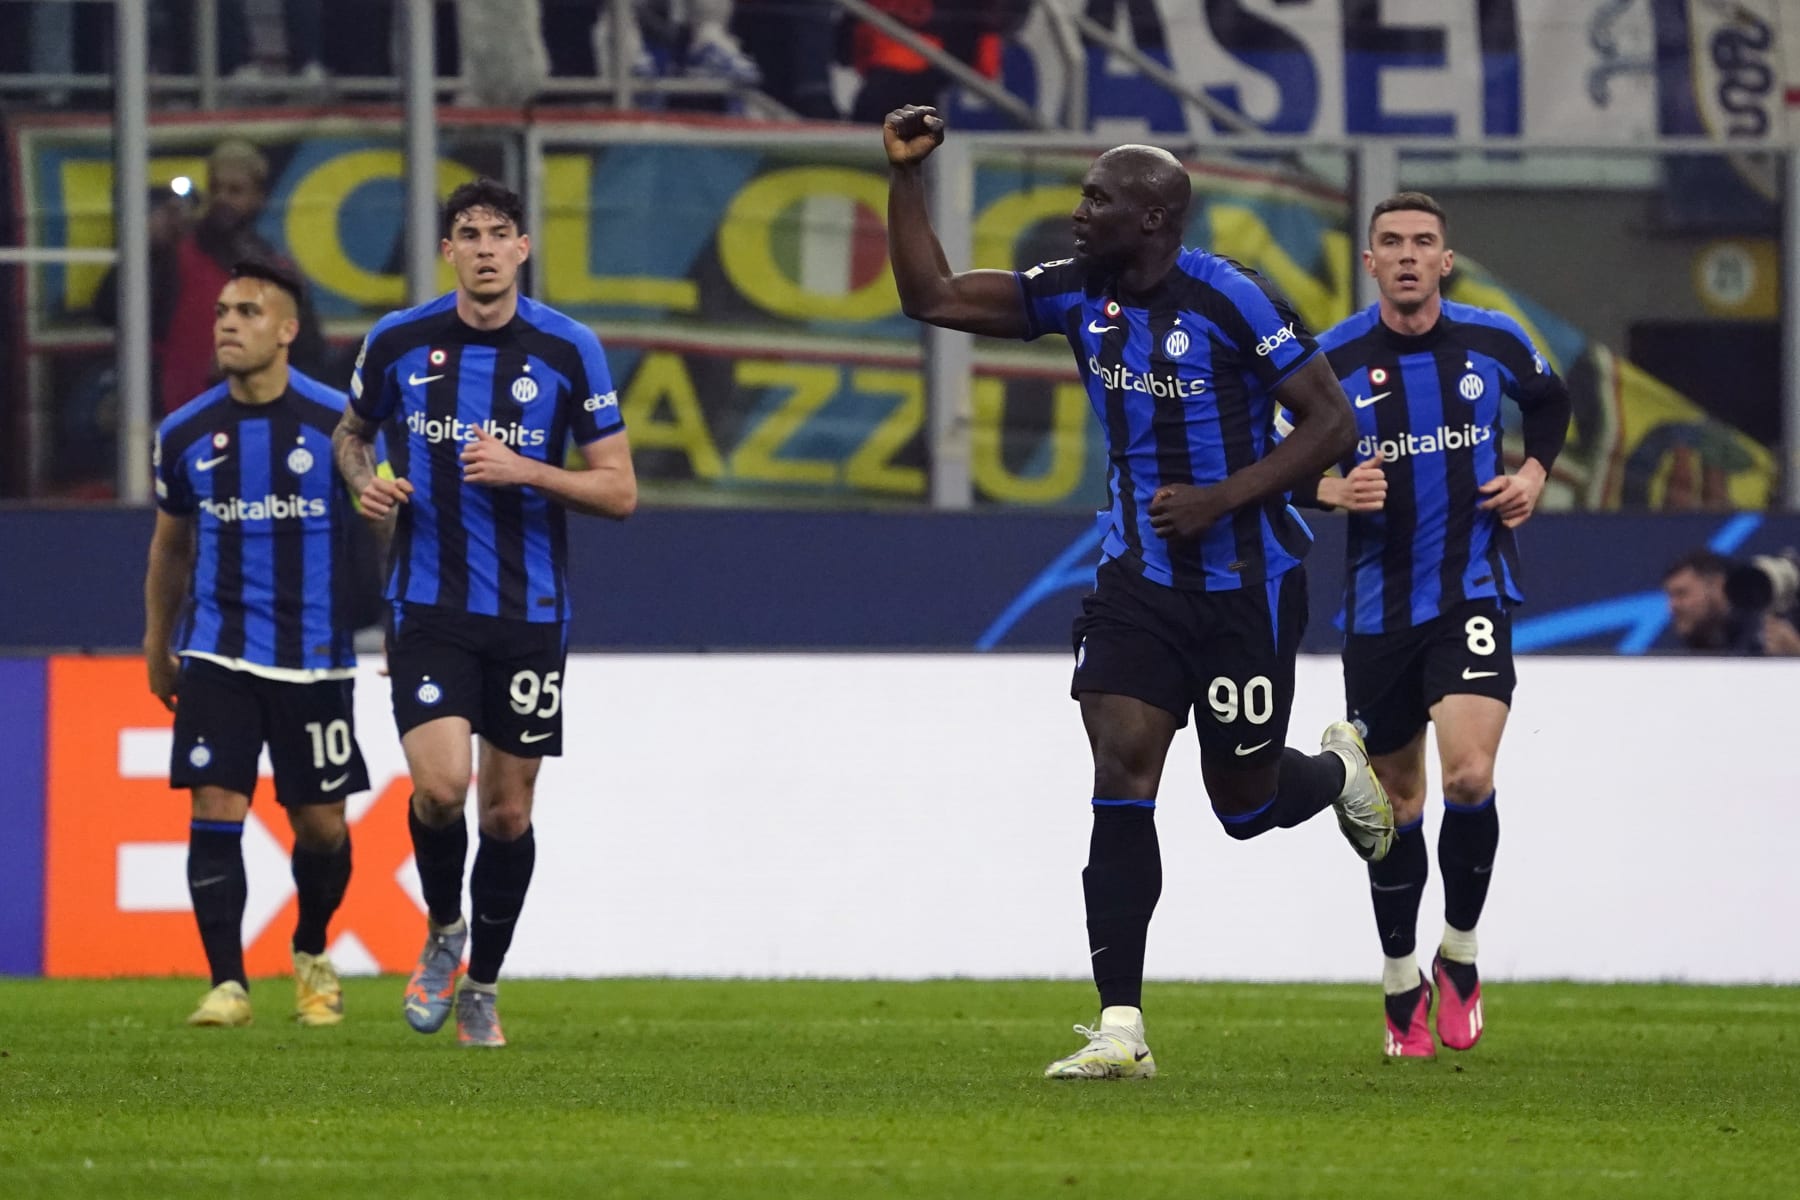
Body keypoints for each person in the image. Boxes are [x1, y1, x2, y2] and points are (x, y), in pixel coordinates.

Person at [882, 105, 1394, 1080]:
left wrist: (1222, 498)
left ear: (1154, 219)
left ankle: (1337, 776)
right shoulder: (1079, 293)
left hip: (1248, 584)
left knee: (1242, 806)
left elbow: (1331, 426)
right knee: (1122, 769)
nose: (1079, 215)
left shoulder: (1235, 299)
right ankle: (1122, 1026)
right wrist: (905, 176)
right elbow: (935, 296)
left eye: (1098, 200)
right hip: (1138, 582)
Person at [332, 177, 637, 1049]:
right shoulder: (398, 340)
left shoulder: (569, 349)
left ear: (523, 249)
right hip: (426, 602)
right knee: (441, 788)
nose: (484, 248)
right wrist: (367, 484)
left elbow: (619, 491)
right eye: (467, 233)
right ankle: (442, 931)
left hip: (531, 611)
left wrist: (528, 470)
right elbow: (351, 436)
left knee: (506, 813)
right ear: (448, 252)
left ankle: (485, 987)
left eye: (499, 233)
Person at [1307, 191, 1573, 1059]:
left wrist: (1534, 470)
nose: (1410, 254)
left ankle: (1457, 952)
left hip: (1473, 591)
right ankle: (1398, 974)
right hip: (1379, 611)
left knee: (1467, 775)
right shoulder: (1331, 358)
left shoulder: (1493, 338)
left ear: (1445, 260)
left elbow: (1552, 400)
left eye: (1425, 241)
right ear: (1371, 262)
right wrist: (1331, 489)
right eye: (1393, 242)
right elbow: (1269, 458)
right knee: (1397, 805)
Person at [143, 260, 373, 1029]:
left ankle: (310, 948)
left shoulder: (340, 423)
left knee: (322, 828)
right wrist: (157, 643)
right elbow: (171, 548)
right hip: (217, 653)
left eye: (246, 311)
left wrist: (397, 622)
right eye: (219, 313)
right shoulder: (184, 433)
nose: (226, 325)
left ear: (287, 330)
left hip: (314, 659)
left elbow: (389, 518)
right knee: (215, 804)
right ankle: (227, 984)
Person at [96, 139, 327, 415]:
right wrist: (146, 249)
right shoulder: (175, 255)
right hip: (180, 418)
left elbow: (308, 356)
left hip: (251, 420)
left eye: (235, 191)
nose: (222, 198)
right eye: (216, 188)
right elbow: (109, 310)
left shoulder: (277, 270)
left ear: (259, 198)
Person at [1661, 549, 1800, 655]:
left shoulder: (1771, 625)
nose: (1673, 606)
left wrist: (1794, 653)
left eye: (1682, 593)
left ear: (1716, 585)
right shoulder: (1699, 645)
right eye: (1670, 596)